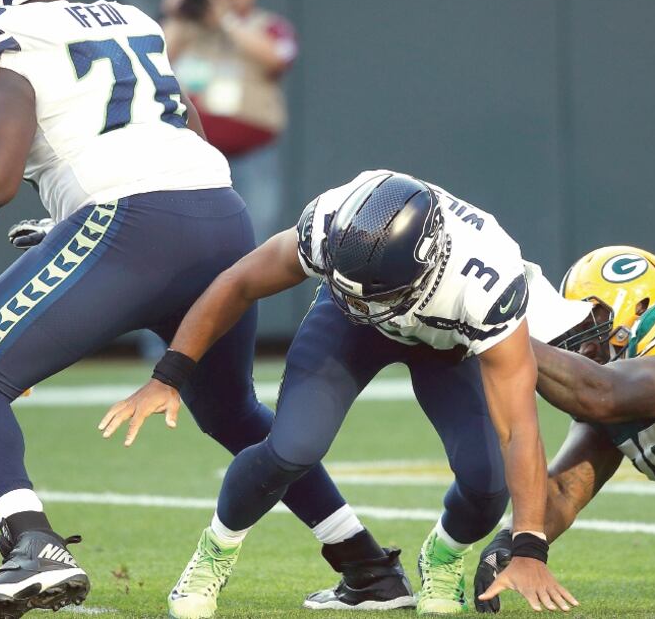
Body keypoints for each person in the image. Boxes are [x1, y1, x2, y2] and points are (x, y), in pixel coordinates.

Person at [0, 0, 410, 617]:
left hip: (131, 223)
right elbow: (180, 128)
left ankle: (32, 545)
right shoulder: (128, 20)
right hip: (217, 212)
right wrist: (71, 215)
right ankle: (367, 568)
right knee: (232, 413)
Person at [103, 170, 587, 617]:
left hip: (446, 346)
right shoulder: (334, 222)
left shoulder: (485, 281)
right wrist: (169, 374)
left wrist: (529, 545)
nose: (365, 302)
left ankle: (442, 557)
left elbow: (518, 427)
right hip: (347, 329)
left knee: (486, 485)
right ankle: (215, 551)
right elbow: (237, 283)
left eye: (374, 294)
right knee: (292, 447)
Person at [474, 246, 655, 613]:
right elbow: (563, 489)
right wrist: (508, 544)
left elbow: (602, 392)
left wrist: (494, 334)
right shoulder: (620, 402)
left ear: (639, 307)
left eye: (593, 318)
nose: (584, 340)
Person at [162, 0, 297, 243]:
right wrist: (179, 13)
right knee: (193, 238)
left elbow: (277, 57)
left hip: (252, 155)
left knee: (256, 237)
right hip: (197, 155)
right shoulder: (190, 26)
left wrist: (226, 18)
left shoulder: (267, 25)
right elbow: (155, 56)